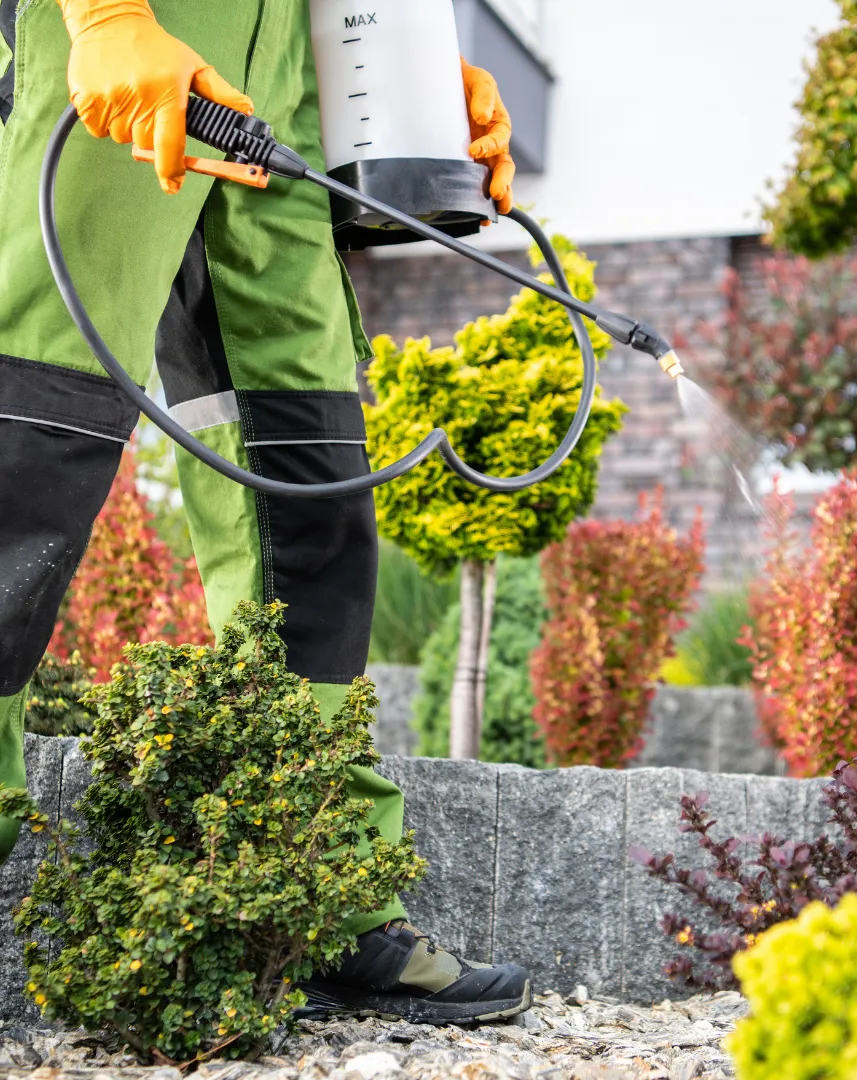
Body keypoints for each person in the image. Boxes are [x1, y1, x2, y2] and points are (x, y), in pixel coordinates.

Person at [0, 0, 529, 1025]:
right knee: (25, 450)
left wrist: (411, 72)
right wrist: (105, 14)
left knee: (307, 479)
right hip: (124, 32)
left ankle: (322, 892)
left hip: (288, 61)